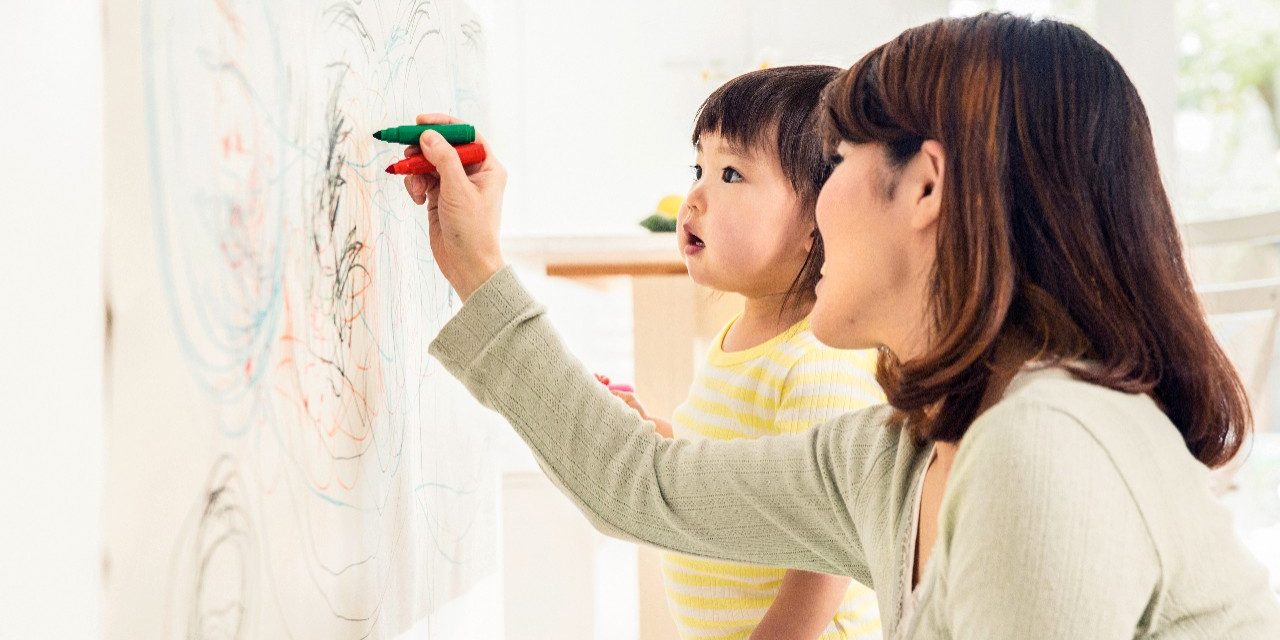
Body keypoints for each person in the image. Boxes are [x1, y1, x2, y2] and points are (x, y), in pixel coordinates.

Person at [405, 13, 1280, 639]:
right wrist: (478, 271)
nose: (819, 207)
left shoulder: (1044, 445)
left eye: (837, 160)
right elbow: (643, 487)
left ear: (925, 186)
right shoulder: (897, 454)